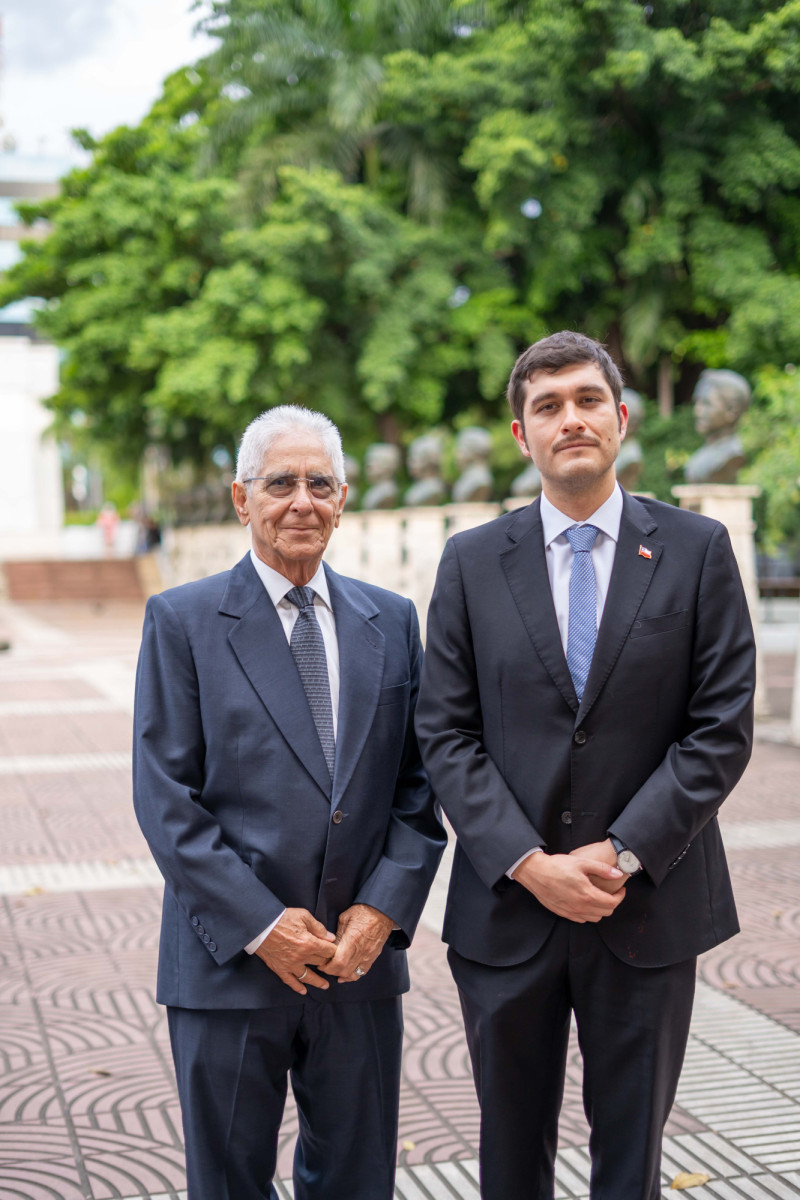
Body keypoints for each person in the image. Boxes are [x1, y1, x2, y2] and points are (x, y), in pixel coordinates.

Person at [415, 331, 755, 1200]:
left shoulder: (697, 549)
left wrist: (619, 852)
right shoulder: (469, 561)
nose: (571, 418)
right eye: (548, 406)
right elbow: (446, 733)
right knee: (509, 1159)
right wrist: (530, 864)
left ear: (622, 418)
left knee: (632, 1160)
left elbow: (719, 728)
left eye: (587, 400)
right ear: (522, 435)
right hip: (506, 913)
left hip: (646, 906)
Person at [133, 405, 445, 1200]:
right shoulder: (184, 620)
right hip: (228, 963)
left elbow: (419, 785)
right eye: (280, 483)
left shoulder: (393, 620)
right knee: (231, 1183)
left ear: (343, 499)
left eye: (320, 483)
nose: (301, 500)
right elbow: (166, 796)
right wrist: (262, 926)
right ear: (242, 499)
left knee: (356, 1181)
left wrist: (385, 907)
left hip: (357, 961)